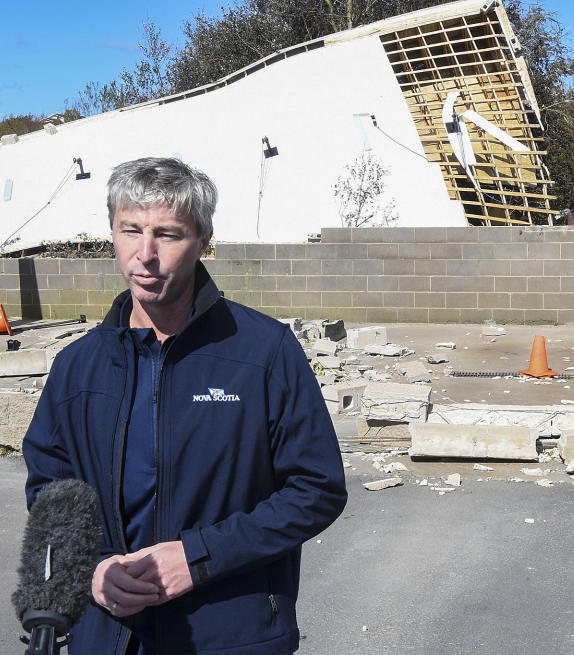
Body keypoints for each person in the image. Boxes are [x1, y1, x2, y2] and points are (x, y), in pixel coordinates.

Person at [21, 157, 347, 655]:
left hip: (230, 635)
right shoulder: (77, 366)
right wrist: (93, 568)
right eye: (130, 230)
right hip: (108, 636)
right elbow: (52, 491)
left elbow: (316, 489)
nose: (144, 255)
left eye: (168, 235)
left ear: (203, 241)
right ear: (112, 232)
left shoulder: (263, 352)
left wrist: (197, 557)